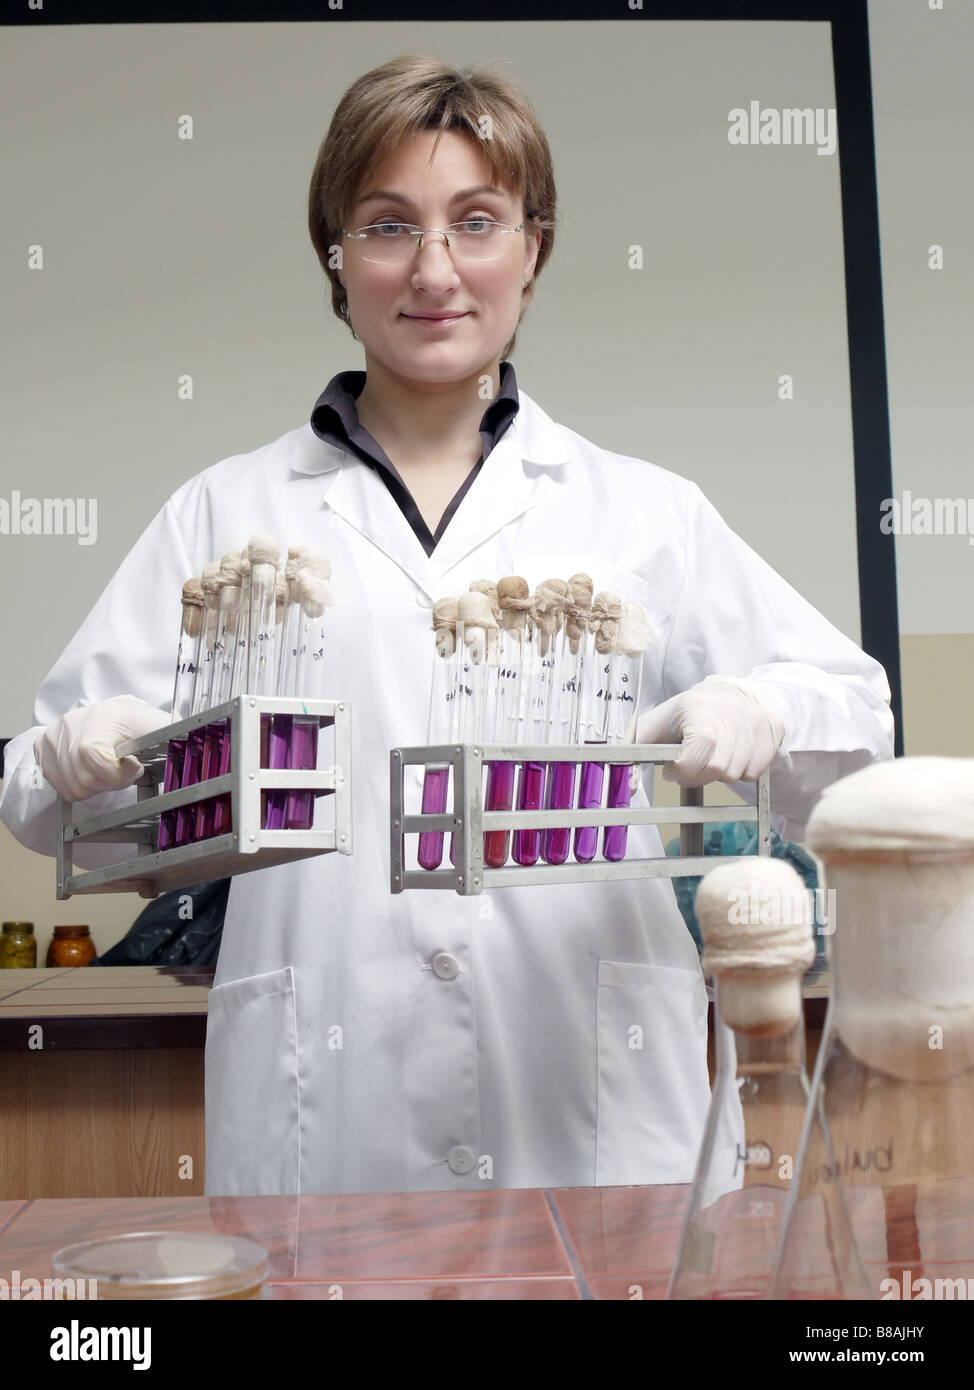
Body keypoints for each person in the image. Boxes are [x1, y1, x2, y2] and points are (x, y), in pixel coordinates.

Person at [0, 54, 893, 1196]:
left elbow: (858, 717)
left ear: (533, 249)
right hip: (327, 1119)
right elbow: (37, 792)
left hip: (593, 1110)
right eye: (386, 226)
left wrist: (759, 704)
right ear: (334, 253)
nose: (434, 270)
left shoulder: (640, 511)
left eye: (476, 221)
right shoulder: (223, 514)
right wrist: (90, 759)